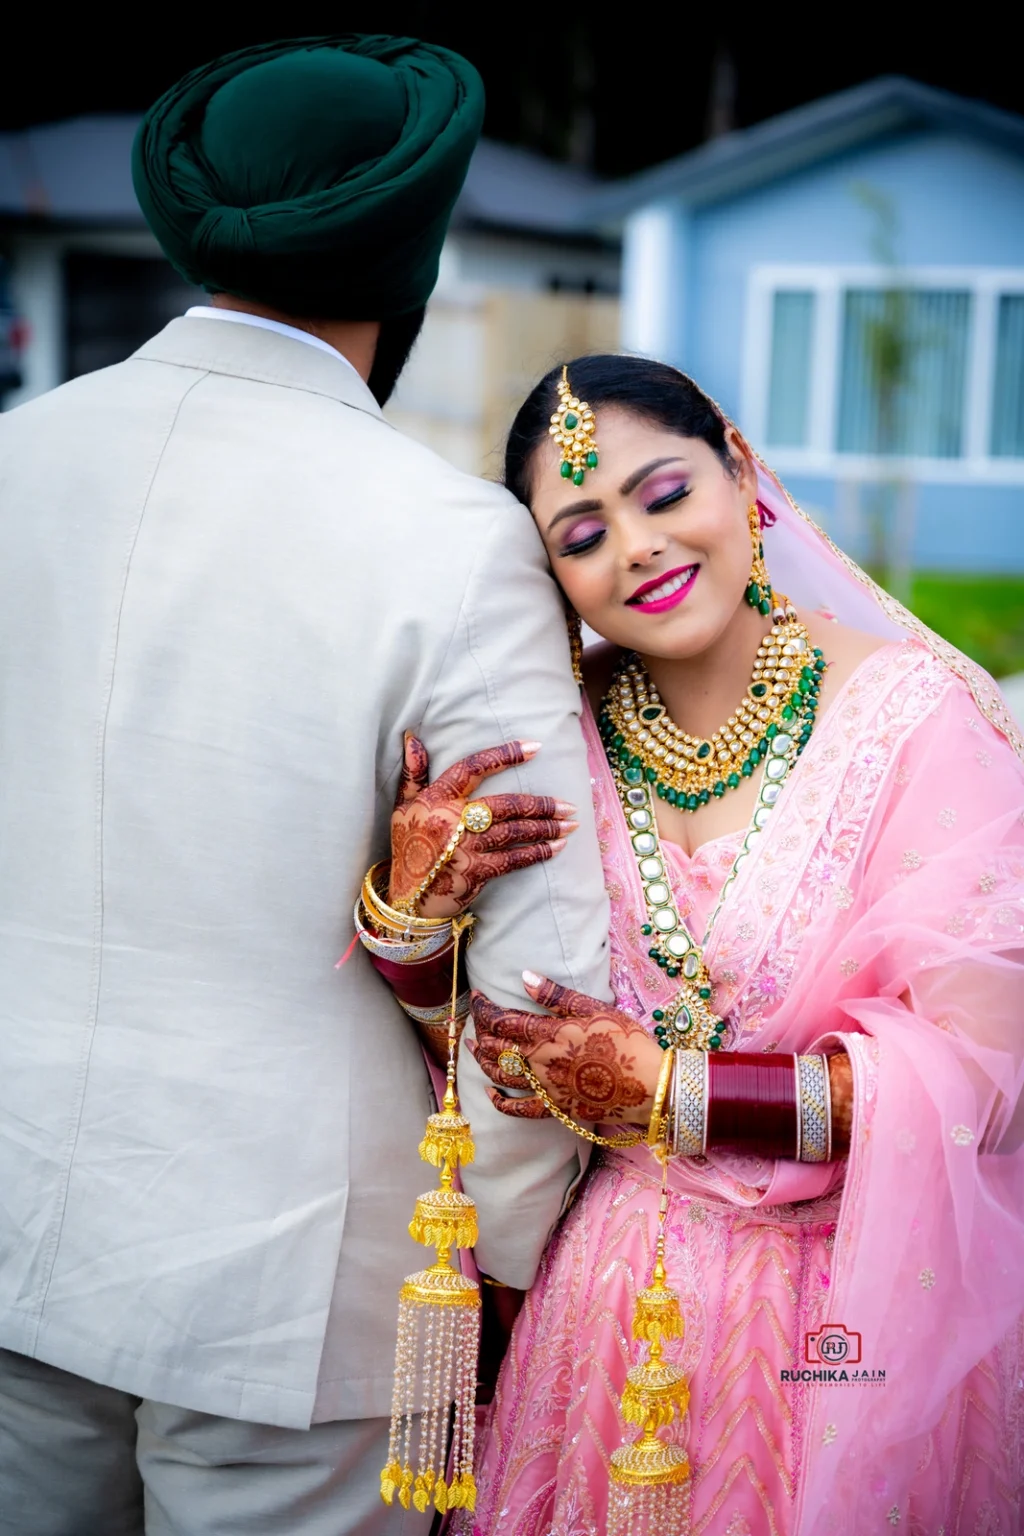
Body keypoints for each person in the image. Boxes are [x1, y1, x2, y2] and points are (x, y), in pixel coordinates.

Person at [0, 40, 611, 1536]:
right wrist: (517, 1261)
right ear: (415, 259)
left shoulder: (16, 459)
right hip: (300, 1293)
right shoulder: (451, 539)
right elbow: (550, 984)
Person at [369, 356, 1024, 1534]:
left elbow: (989, 1086)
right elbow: (484, 1050)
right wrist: (411, 916)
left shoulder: (916, 716)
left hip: (852, 1319)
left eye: (662, 494)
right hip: (604, 1313)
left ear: (737, 469)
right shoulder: (555, 743)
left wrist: (676, 1091)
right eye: (582, 531)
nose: (635, 548)